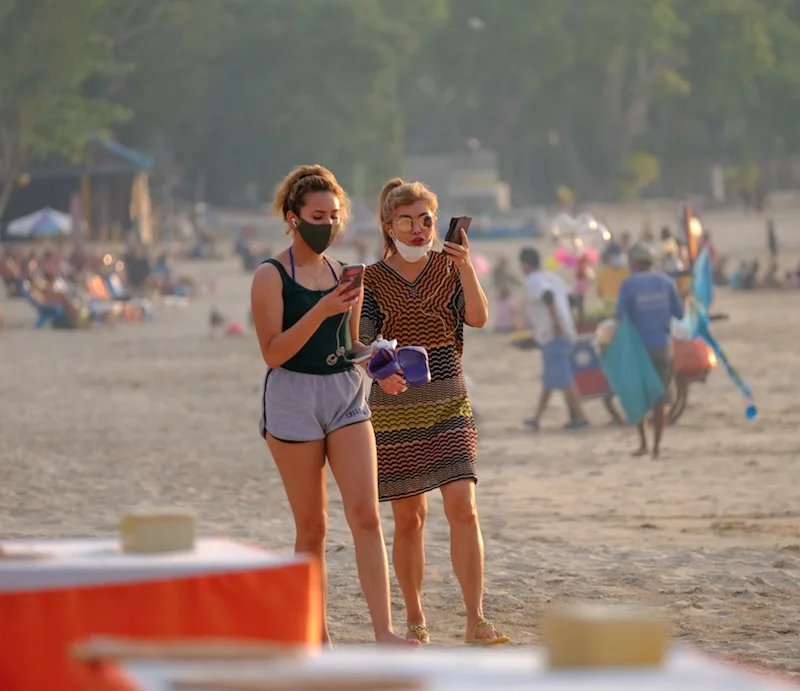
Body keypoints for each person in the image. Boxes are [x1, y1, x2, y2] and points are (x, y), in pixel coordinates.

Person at [250, 165, 413, 647]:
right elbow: (273, 352)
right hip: (292, 397)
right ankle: (314, 636)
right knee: (313, 526)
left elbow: (351, 346)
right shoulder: (271, 274)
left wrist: (382, 363)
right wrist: (321, 308)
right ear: (293, 217)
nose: (328, 223)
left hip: (344, 394)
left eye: (335, 215)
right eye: (318, 214)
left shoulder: (346, 273)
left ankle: (384, 631)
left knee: (365, 513)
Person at [358, 178, 509, 646]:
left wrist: (466, 269)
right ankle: (415, 619)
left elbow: (480, 318)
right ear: (388, 225)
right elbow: (359, 343)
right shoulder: (371, 279)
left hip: (449, 396)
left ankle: (475, 619)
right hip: (396, 405)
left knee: (463, 506)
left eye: (426, 219)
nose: (419, 229)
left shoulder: (449, 268)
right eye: (407, 220)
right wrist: (379, 370)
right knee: (409, 518)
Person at [614, 242, 684, 459]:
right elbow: (679, 314)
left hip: (639, 349)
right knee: (659, 400)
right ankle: (656, 448)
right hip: (663, 347)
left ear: (635, 262)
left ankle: (643, 443)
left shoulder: (628, 285)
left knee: (638, 398)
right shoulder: (667, 282)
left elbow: (618, 316)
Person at [519, 247, 589, 431]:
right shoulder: (552, 277)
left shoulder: (534, 280)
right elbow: (573, 300)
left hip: (553, 334)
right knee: (550, 380)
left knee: (564, 379)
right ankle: (536, 419)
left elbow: (548, 298)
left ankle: (582, 419)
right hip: (562, 332)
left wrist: (557, 323)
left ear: (525, 265)